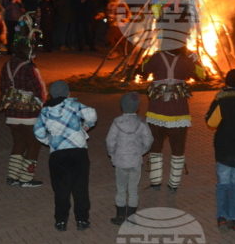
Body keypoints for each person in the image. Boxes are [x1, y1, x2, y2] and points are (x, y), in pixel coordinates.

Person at [34, 80, 97, 231]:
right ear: (68, 93)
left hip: (58, 155)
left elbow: (38, 132)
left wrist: (49, 141)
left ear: (51, 94)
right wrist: (85, 127)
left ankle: (61, 221)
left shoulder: (45, 111)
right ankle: (82, 220)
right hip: (78, 152)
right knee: (80, 188)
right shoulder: (75, 106)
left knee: (61, 190)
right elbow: (92, 114)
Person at [142, 47, 201, 191]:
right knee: (178, 148)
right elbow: (201, 76)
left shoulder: (156, 57)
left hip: (157, 110)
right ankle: (174, 184)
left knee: (156, 147)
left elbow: (143, 69)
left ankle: (155, 181)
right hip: (178, 112)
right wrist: (196, 61)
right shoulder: (186, 60)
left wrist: (149, 58)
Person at [204, 69, 235, 232]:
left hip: (225, 149)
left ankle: (222, 217)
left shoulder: (221, 100)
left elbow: (211, 122)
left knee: (223, 184)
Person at [0, 25, 48, 188]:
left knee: (19, 142)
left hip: (11, 111)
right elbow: (40, 90)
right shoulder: (29, 67)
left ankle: (12, 176)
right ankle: (26, 177)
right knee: (34, 144)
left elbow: (2, 86)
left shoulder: (6, 65)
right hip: (29, 114)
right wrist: (42, 105)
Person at [106, 92, 153, 225]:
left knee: (121, 188)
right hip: (135, 161)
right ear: (137, 107)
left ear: (122, 106)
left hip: (120, 161)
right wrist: (142, 151)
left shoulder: (116, 122)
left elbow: (110, 141)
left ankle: (120, 217)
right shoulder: (141, 122)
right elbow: (149, 140)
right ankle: (131, 217)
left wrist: (112, 154)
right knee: (133, 189)